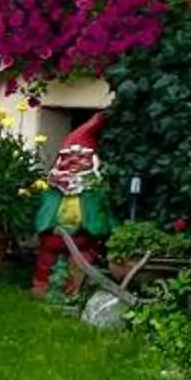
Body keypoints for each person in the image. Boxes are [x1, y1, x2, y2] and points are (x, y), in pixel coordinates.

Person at [32, 115, 116, 299]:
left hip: (82, 239)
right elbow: (42, 213)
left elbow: (107, 218)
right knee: (46, 261)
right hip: (54, 237)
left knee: (80, 263)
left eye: (80, 161)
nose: (72, 165)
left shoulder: (96, 193)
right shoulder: (52, 192)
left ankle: (72, 293)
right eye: (67, 160)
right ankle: (42, 287)